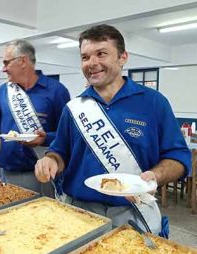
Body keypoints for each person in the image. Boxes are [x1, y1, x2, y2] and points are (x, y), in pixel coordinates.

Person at [35, 24, 191, 235]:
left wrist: (155, 176)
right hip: (78, 210)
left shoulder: (154, 103)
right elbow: (60, 151)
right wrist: (51, 160)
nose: (92, 63)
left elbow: (178, 157)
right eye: (85, 57)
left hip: (134, 211)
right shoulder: (74, 108)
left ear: (122, 57)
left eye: (101, 54)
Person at [0, 39, 70, 196]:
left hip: (40, 175)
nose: (3, 69)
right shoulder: (4, 91)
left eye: (6, 63)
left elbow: (68, 134)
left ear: (22, 61)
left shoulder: (56, 91)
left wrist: (45, 138)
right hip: (5, 172)